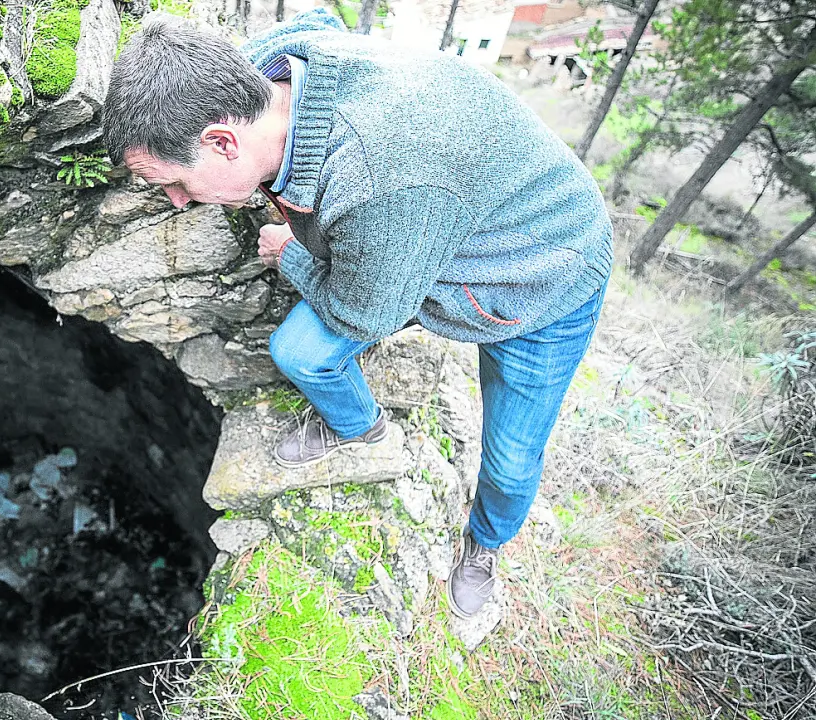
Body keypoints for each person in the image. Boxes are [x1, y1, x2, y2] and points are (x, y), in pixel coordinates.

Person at [100, 9, 612, 618]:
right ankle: (359, 426)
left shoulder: (380, 180)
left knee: (511, 458)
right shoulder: (265, 72)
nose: (177, 201)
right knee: (299, 351)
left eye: (176, 182)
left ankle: (485, 543)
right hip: (426, 235)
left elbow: (366, 315)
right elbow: (321, 15)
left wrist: (291, 255)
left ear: (223, 142)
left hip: (543, 275)